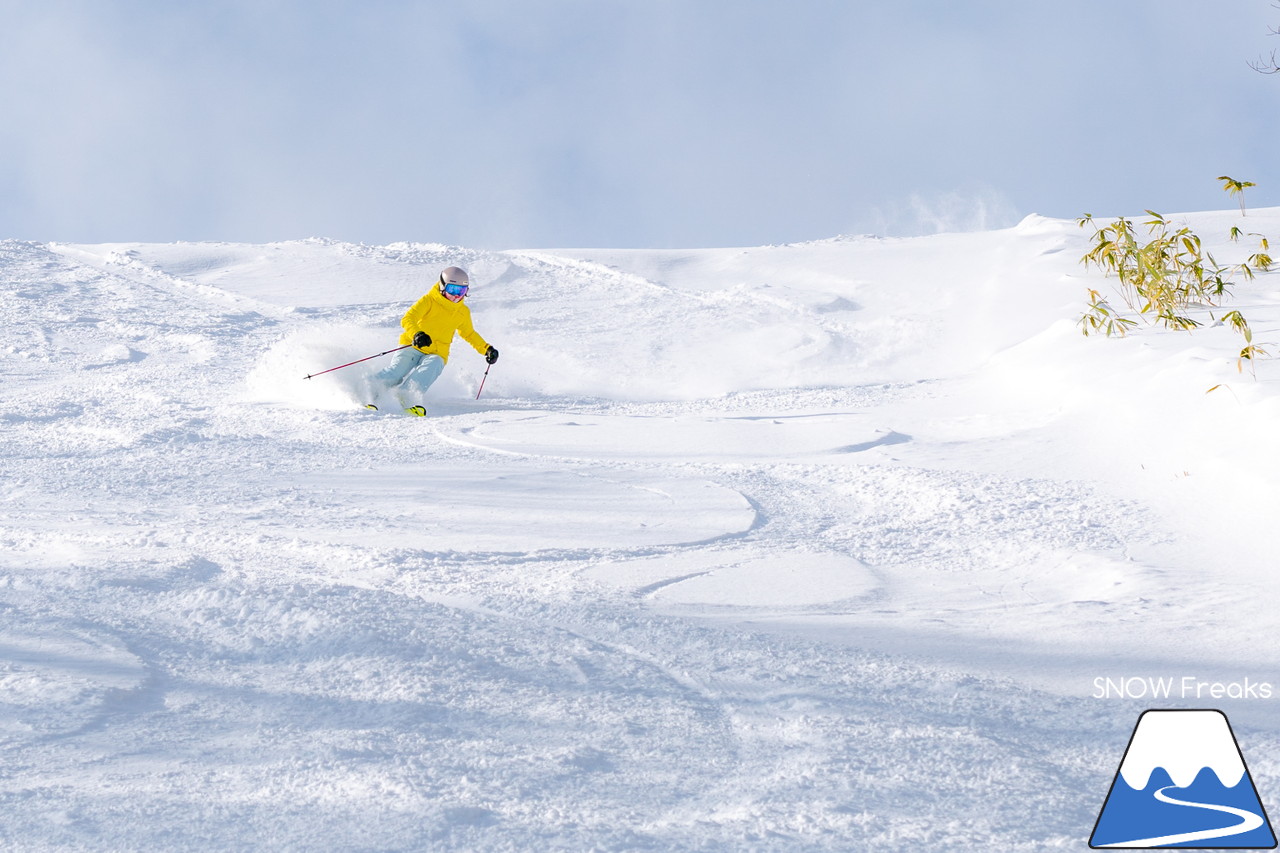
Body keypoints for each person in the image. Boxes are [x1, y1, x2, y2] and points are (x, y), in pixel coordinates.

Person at [371, 266, 499, 415]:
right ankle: (368, 391)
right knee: (397, 372)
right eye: (453, 290)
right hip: (414, 345)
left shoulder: (462, 312)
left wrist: (486, 349)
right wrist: (417, 334)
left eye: (462, 291)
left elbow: (468, 333)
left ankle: (406, 398)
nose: (457, 296)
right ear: (442, 285)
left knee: (428, 370)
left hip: (438, 352)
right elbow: (408, 318)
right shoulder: (429, 301)